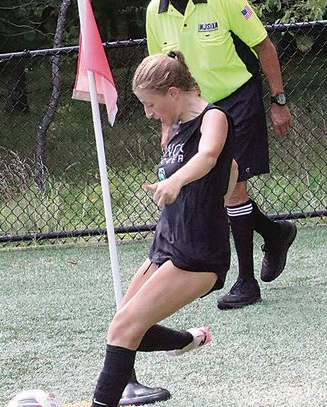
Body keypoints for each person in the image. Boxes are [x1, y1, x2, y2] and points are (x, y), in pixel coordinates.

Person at [91, 50, 238, 407]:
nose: (149, 113)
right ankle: (188, 339)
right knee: (125, 328)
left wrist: (177, 183)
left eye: (151, 104)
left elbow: (209, 157)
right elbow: (232, 171)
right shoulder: (173, 129)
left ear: (173, 92)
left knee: (124, 329)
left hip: (198, 253)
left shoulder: (213, 117)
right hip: (167, 243)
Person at [145, 0, 297, 310]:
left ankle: (246, 282)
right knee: (214, 191)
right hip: (193, 113)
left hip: (237, 100)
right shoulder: (154, 12)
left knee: (235, 188)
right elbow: (159, 76)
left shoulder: (224, 1)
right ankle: (275, 232)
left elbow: (264, 46)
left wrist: (278, 100)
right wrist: (166, 125)